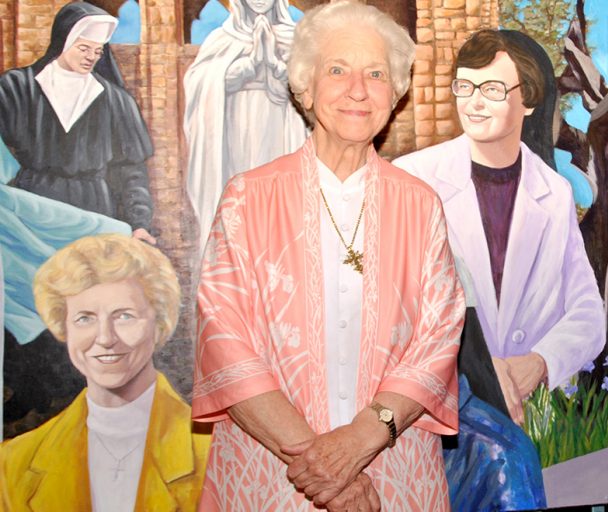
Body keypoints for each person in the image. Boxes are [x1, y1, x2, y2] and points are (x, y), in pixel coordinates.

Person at [191, 2, 465, 510]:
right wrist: (326, 467)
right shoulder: (247, 198)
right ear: (306, 87)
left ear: (395, 93)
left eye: (376, 73)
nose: (357, 89)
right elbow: (225, 340)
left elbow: (439, 336)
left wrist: (360, 440)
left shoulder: (420, 204)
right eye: (337, 69)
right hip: (272, 478)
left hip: (394, 473)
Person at [394, 29, 605, 427]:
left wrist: (540, 363)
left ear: (528, 100)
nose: (473, 102)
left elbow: (587, 311)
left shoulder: (554, 192)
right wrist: (476, 365)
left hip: (531, 414)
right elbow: (394, 305)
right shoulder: (412, 178)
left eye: (491, 88)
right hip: (436, 408)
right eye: (464, 86)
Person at [0, 234, 210, 511]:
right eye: (84, 318)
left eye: (124, 316)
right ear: (64, 329)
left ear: (159, 323)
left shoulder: (212, 452)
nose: (105, 338)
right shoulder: (13, 463)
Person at [0, 2, 155, 242]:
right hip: (33, 208)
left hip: (93, 212)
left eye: (97, 51)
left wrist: (139, 223)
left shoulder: (115, 100)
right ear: (63, 42)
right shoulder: (17, 87)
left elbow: (131, 169)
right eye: (84, 48)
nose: (91, 57)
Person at [183, 0, 307, 254]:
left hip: (279, 124)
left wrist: (273, 63)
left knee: (278, 194)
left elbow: (309, 83)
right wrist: (247, 67)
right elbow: (199, 82)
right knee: (241, 191)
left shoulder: (293, 37)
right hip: (235, 127)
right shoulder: (222, 37)